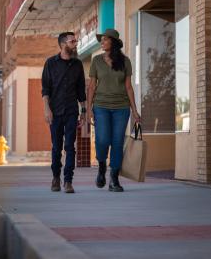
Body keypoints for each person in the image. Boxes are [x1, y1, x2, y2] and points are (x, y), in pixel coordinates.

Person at [87, 28, 140, 192]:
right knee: (102, 140)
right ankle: (102, 166)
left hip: (121, 108)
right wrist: (89, 109)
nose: (102, 42)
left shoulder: (125, 62)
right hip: (101, 106)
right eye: (101, 40)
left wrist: (135, 111)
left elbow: (129, 87)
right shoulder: (96, 61)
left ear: (113, 42)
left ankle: (114, 179)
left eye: (105, 40)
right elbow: (91, 86)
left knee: (117, 142)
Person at [42, 32, 86, 194]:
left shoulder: (78, 65)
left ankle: (68, 181)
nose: (76, 43)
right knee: (56, 147)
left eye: (76, 40)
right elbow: (45, 88)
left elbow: (81, 90)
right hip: (55, 111)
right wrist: (47, 109)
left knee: (70, 146)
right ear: (62, 44)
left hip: (71, 111)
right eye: (72, 41)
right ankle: (55, 177)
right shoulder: (50, 63)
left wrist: (83, 111)